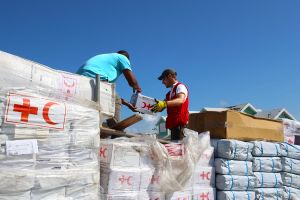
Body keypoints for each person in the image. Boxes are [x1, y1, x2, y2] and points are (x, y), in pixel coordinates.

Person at [77, 50, 141, 118]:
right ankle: (114, 124)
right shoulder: (122, 57)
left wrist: (128, 104)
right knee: (114, 101)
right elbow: (132, 82)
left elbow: (112, 96)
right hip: (97, 76)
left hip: (79, 79)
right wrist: (137, 87)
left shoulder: (107, 62)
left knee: (91, 106)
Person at [151, 69, 189, 140]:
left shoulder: (180, 86)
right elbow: (161, 107)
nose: (162, 82)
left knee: (179, 149)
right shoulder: (169, 94)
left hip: (180, 125)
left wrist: (164, 103)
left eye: (163, 79)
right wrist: (149, 108)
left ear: (169, 76)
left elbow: (181, 100)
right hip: (174, 126)